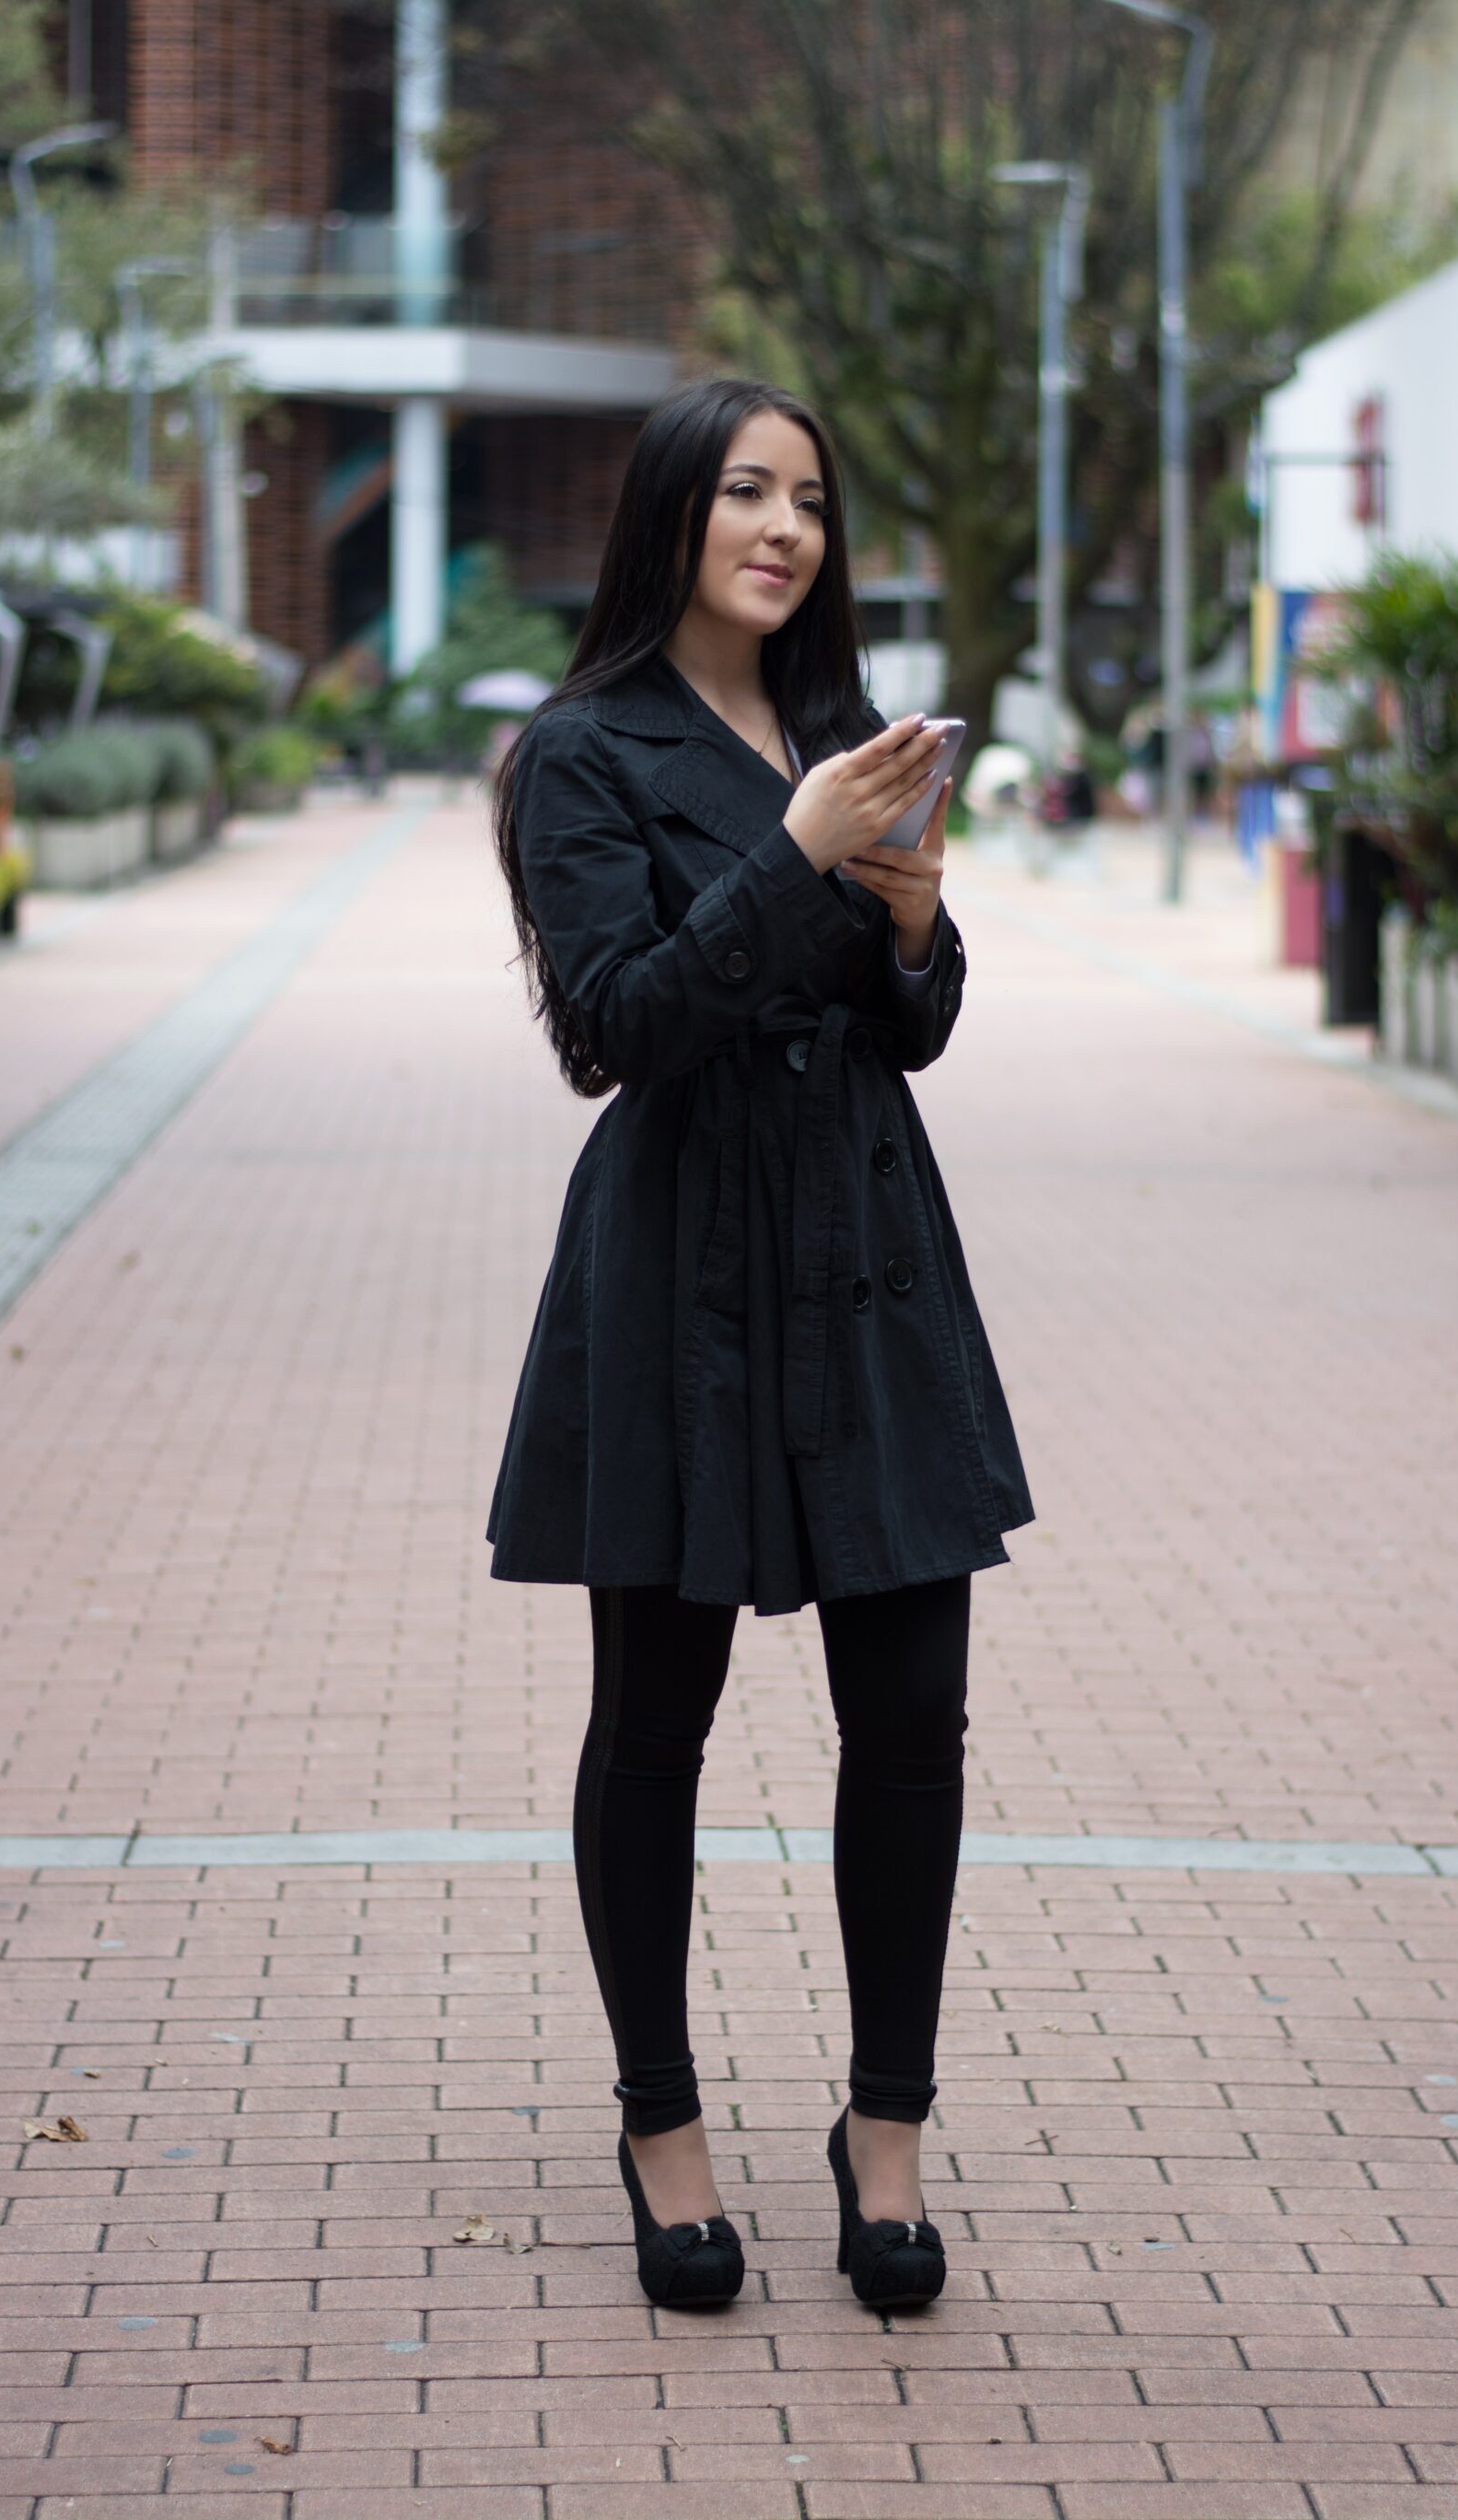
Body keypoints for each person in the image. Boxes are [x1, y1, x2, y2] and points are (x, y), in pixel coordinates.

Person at [487, 377, 1033, 2313]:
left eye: (810, 495)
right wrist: (797, 857)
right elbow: (614, 1029)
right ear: (671, 518)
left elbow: (919, 1022)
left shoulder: (842, 731)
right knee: (657, 1723)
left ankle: (883, 2132)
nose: (783, 527)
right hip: (681, 1270)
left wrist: (908, 914)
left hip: (869, 1246)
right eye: (744, 491)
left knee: (913, 1718)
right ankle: (665, 2129)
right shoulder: (579, 752)